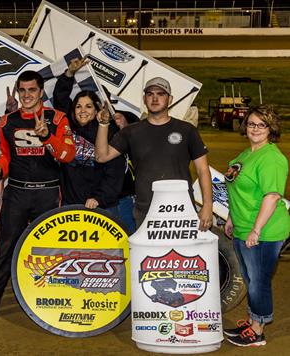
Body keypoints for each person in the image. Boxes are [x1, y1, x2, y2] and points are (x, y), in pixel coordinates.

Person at [0, 70, 75, 324]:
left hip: (48, 193)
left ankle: (52, 304)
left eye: (32, 90)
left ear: (41, 92)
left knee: (50, 251)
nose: (27, 95)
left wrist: (46, 136)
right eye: (23, 90)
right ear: (18, 92)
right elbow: (4, 156)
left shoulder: (58, 118)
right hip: (16, 192)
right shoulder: (7, 121)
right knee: (3, 249)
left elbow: (68, 156)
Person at [94, 76, 213, 230]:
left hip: (182, 211)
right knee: (149, 255)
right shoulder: (131, 131)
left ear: (170, 99)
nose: (155, 98)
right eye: (150, 94)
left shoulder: (187, 130)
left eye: (161, 94)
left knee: (180, 255)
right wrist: (103, 124)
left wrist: (207, 206)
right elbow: (101, 156)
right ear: (144, 99)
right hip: (146, 211)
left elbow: (203, 170)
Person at [223, 105, 290, 347]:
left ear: (271, 128)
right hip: (243, 226)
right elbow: (237, 190)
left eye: (262, 125)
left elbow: (271, 196)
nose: (255, 129)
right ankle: (254, 321)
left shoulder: (272, 158)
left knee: (259, 280)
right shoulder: (245, 155)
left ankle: (258, 330)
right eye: (251, 123)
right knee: (251, 279)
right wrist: (231, 217)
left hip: (265, 230)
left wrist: (256, 230)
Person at [52, 57, 125, 215]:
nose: (82, 110)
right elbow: (60, 99)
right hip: (70, 204)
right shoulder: (68, 127)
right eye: (78, 106)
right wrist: (69, 74)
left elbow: (115, 172)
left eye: (88, 106)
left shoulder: (109, 131)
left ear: (96, 110)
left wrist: (99, 198)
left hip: (102, 205)